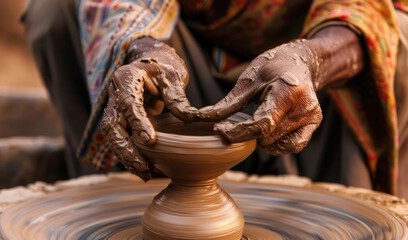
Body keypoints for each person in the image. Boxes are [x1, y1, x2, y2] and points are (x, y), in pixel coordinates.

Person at [22, 0, 408, 198]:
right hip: (187, 58)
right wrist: (145, 49)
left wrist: (311, 61)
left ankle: (343, 206)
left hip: (313, 71)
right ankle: (120, 203)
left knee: (399, 41)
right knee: (54, 9)